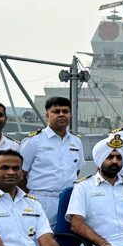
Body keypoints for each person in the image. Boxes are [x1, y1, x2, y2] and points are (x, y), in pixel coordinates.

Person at [20, 96, 83, 228]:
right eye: (56, 111)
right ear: (47, 115)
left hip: (68, 200)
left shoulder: (76, 141)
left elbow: (76, 171)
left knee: (66, 236)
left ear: (70, 115)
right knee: (40, 236)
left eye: (65, 111)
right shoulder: (33, 141)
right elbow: (20, 175)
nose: (61, 115)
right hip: (41, 199)